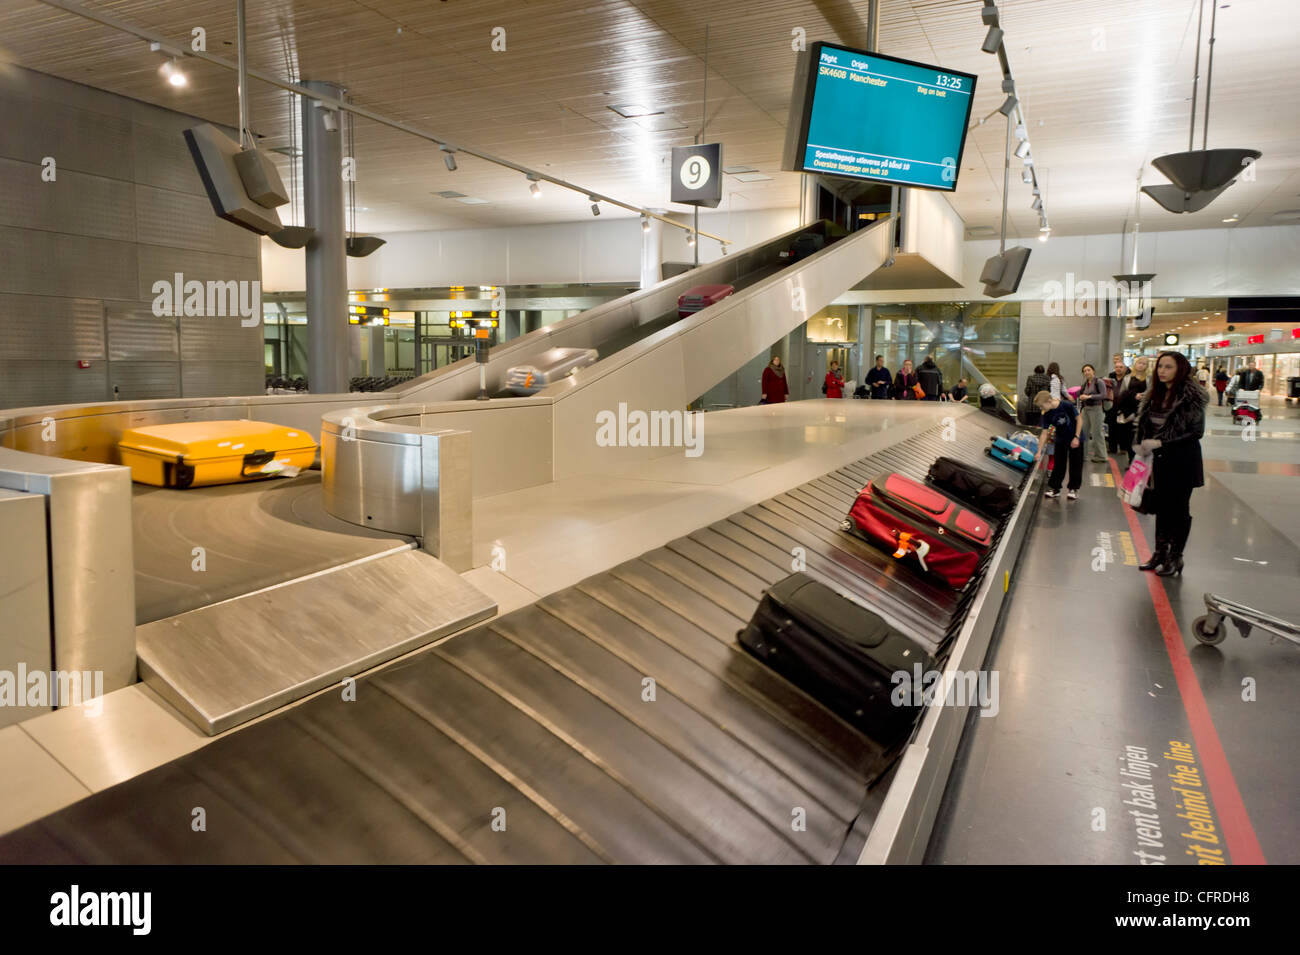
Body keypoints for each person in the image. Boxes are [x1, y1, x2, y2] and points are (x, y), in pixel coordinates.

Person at [1133, 351, 1207, 577]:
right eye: (1160, 367)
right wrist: (1140, 444)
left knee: (1179, 510)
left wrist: (1160, 442)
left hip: (1182, 461)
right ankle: (1159, 554)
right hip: (1157, 461)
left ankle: (1175, 557)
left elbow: (1197, 432)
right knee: (1162, 508)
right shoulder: (1154, 394)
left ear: (1180, 369)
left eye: (1168, 367)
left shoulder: (1192, 396)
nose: (1162, 371)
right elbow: (1145, 425)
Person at [1035, 389, 1084, 500]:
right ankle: (1055, 488)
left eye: (1042, 406)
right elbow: (1044, 433)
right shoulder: (1047, 414)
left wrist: (1076, 437)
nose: (1041, 409)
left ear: (1049, 401)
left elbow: (1079, 420)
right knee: (1059, 463)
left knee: (1075, 463)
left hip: (1075, 437)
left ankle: (1073, 488)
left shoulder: (1066, 405)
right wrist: (1039, 451)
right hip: (1061, 439)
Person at [1114, 354, 1149, 465]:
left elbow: (1152, 392)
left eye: (1144, 364)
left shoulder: (1149, 378)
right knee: (1129, 437)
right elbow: (1122, 394)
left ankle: (1141, 461)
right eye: (1139, 363)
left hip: (1143, 410)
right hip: (1129, 409)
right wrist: (1133, 395)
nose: (1141, 366)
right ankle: (1131, 460)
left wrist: (1144, 396)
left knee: (1141, 437)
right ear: (1135, 364)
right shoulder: (1128, 378)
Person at [1077, 363, 1109, 463]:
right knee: (1084, 432)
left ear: (1093, 371)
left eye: (1088, 370)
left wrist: (1089, 397)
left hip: (1096, 409)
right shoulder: (1085, 384)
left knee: (1096, 433)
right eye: (1084, 371)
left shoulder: (1099, 382)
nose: (1086, 372)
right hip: (1086, 409)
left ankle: (1101, 456)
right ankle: (1083, 455)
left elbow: (1104, 395)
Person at [1105, 354, 1129, 454]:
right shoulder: (1111, 376)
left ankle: (1123, 448)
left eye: (1121, 367)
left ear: (1125, 368)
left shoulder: (1128, 378)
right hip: (1112, 406)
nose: (1118, 369)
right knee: (1111, 427)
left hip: (1123, 407)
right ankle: (1112, 448)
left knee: (1123, 428)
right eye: (1116, 367)